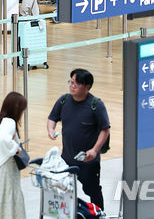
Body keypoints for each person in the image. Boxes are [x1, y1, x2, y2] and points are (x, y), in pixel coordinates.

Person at [47, 68, 110, 210]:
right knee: (65, 191)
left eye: (76, 83)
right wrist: (51, 129)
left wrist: (94, 150)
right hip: (66, 159)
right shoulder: (63, 100)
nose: (72, 85)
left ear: (87, 87)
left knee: (92, 190)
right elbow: (52, 118)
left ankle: (99, 214)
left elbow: (105, 130)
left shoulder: (96, 105)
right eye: (71, 82)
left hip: (88, 162)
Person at [0, 91, 28, 218]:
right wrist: (16, 149)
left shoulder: (0, 120)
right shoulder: (9, 122)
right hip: (7, 167)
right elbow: (3, 140)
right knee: (8, 197)